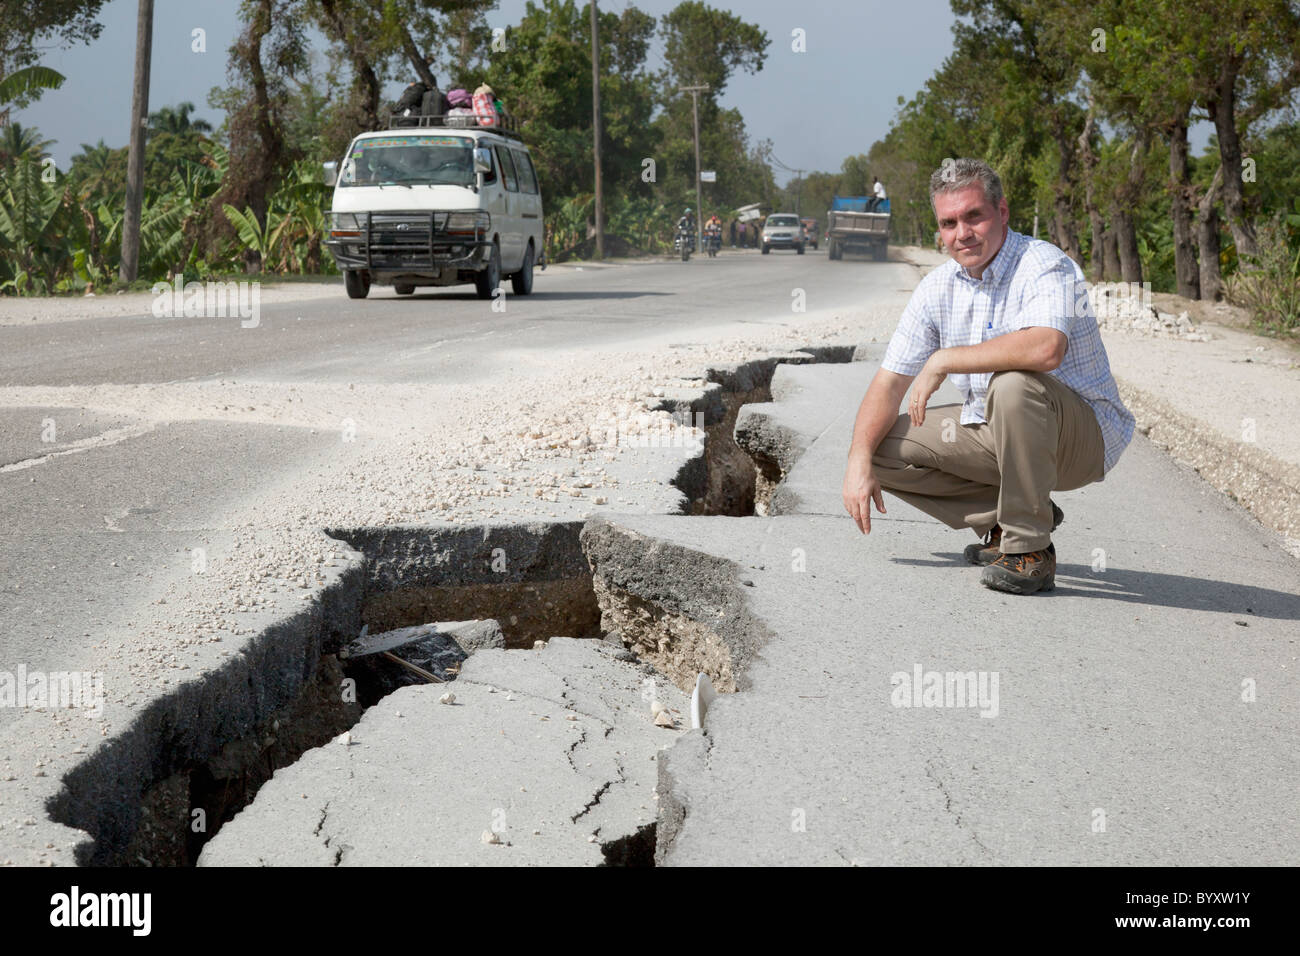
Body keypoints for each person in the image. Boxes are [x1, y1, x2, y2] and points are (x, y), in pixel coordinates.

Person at [841, 157, 1134, 595]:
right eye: (949, 222)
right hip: (998, 428)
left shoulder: (1042, 265)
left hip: (1080, 435)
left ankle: (1029, 550)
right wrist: (856, 461)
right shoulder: (937, 288)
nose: (963, 233)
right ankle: (1011, 515)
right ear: (938, 230)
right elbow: (889, 382)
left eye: (974, 216)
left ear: (1002, 213)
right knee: (878, 447)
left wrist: (943, 360)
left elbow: (1045, 348)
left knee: (1014, 382)